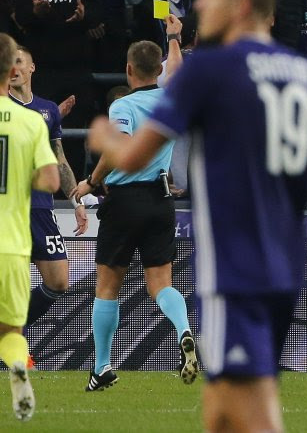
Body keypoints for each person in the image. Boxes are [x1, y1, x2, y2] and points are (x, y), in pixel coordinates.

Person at [85, 0, 307, 431]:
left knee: (248, 409)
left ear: (243, 3)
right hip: (285, 266)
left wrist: (101, 133)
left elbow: (130, 157)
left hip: (235, 268)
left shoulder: (210, 70)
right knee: (225, 409)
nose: (200, 4)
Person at [72, 40, 197, 392]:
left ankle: (102, 366)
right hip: (160, 199)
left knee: (108, 286)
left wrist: (91, 182)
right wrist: (174, 37)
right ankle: (183, 329)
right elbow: (177, 72)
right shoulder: (170, 101)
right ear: (158, 70)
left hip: (124, 200)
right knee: (161, 284)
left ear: (128, 70)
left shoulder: (121, 106)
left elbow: (119, 149)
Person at [0, 32, 60, 421]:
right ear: (11, 68)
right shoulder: (29, 121)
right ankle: (18, 367)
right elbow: (52, 181)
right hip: (13, 241)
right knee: (11, 328)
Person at [7, 46, 88, 330]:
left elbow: (60, 160)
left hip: (41, 208)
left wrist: (76, 201)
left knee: (58, 281)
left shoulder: (48, 109)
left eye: (19, 62)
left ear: (32, 68)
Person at [14, 0, 104, 178]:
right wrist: (35, 13)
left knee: (72, 135)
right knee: (38, 131)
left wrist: (84, 16)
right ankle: (37, 187)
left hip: (77, 70)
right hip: (41, 71)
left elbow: (98, 14)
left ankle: (70, 193)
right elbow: (19, 16)